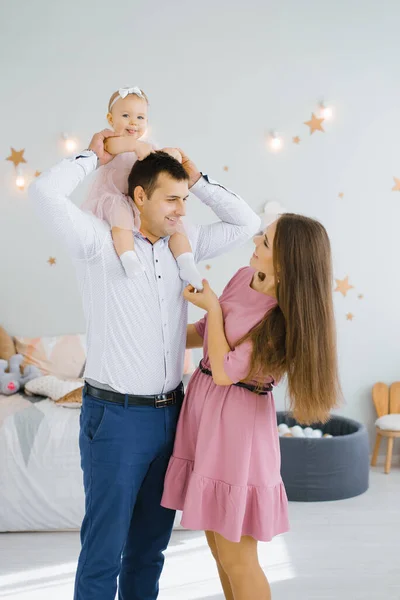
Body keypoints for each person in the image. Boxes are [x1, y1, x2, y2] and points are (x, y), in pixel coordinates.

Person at [29, 130, 261, 600]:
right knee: (103, 552)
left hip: (172, 417)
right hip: (114, 418)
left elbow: (245, 221)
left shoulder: (186, 243)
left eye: (185, 199)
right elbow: (43, 194)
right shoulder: (98, 243)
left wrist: (196, 178)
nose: (181, 208)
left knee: (150, 550)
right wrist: (92, 157)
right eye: (171, 198)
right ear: (139, 195)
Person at [162, 213, 341, 600]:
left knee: (237, 556)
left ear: (285, 262)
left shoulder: (282, 321)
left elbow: (227, 370)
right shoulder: (242, 278)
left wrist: (211, 308)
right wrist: (159, 330)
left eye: (265, 241)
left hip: (236, 428)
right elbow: (206, 337)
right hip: (207, 413)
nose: (256, 241)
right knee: (218, 550)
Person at [82, 85, 203, 289]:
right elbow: (117, 148)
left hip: (142, 200)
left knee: (176, 226)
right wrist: (135, 146)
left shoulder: (148, 143)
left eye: (140, 118)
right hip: (117, 196)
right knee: (121, 220)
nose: (133, 122)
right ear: (111, 119)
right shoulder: (113, 142)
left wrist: (171, 153)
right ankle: (128, 257)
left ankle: (186, 261)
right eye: (126, 115)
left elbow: (160, 158)